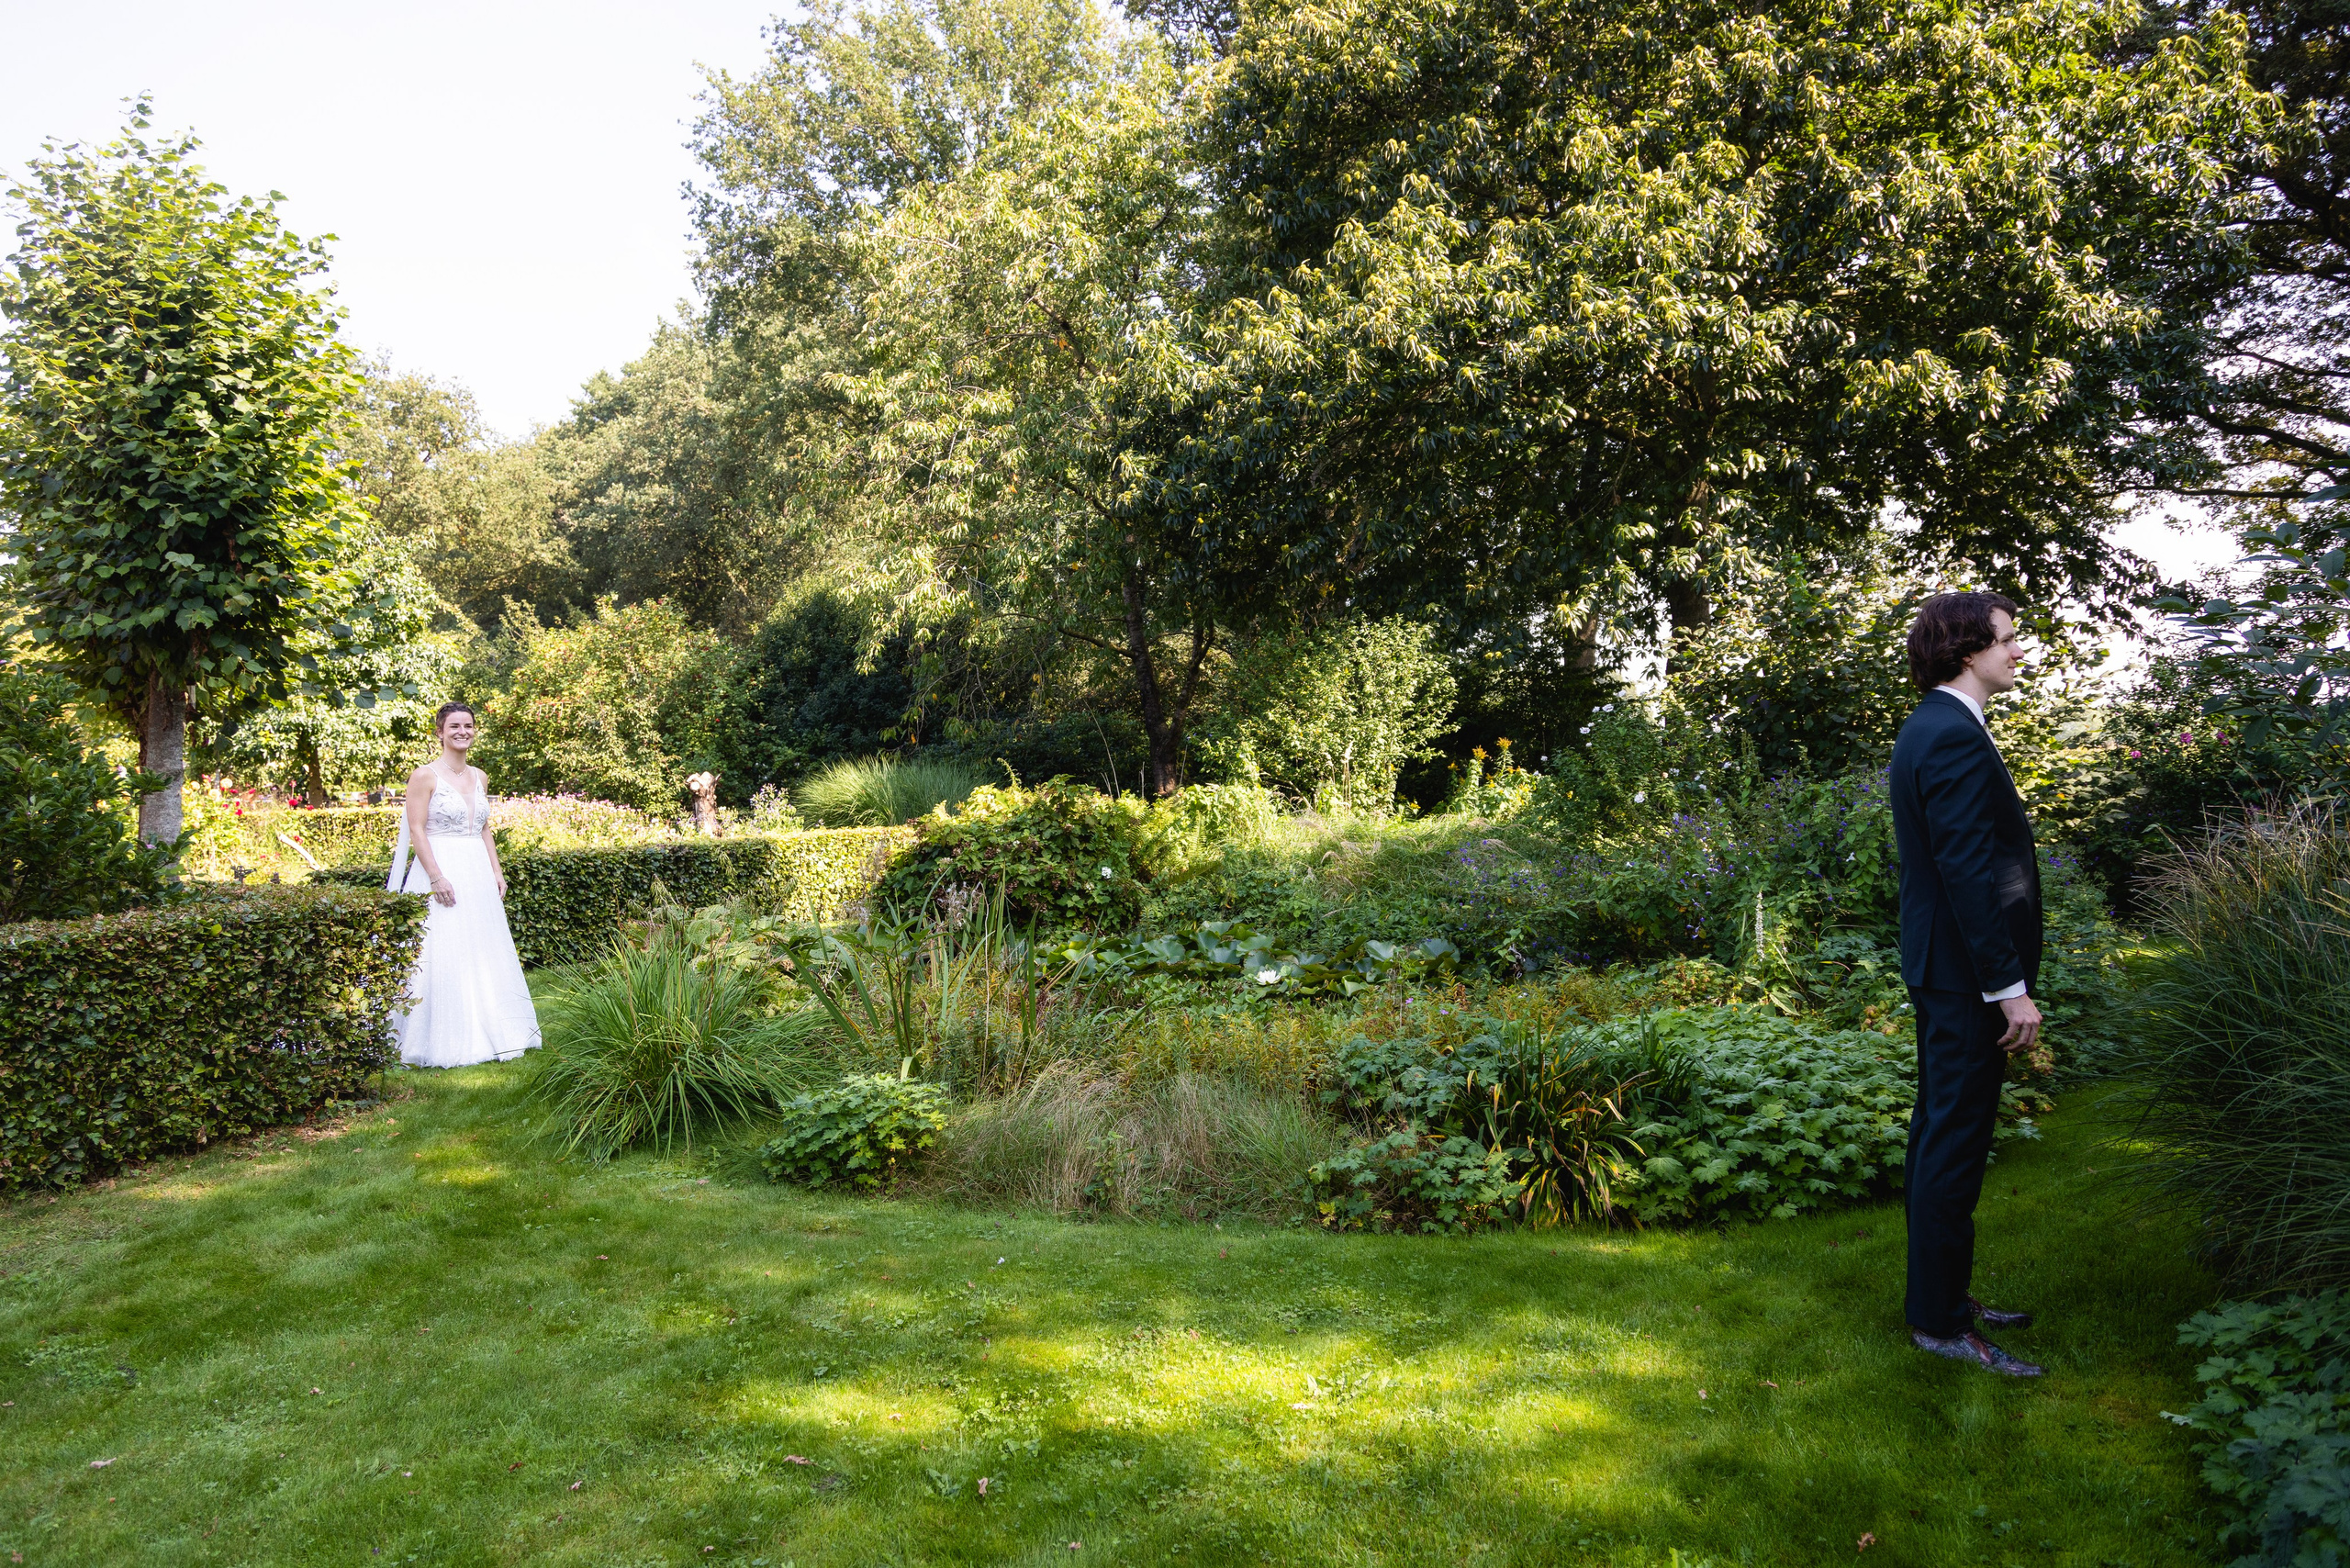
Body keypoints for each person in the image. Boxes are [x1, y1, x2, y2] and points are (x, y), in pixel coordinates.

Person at [1888, 591, 2045, 1377]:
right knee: (1953, 1143)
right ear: (1964, 651)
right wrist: (2006, 987)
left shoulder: (1943, 726)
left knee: (1937, 1136)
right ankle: (1941, 1323)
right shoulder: (1947, 733)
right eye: (2009, 640)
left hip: (1947, 974)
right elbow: (1966, 875)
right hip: (1963, 979)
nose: (2021, 651)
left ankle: (1940, 1295)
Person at [386, 702, 541, 1068]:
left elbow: (482, 827)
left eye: (468, 725)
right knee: (440, 949)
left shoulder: (480, 776)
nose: (462, 731)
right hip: (440, 867)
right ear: (439, 732)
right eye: (454, 725)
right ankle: (435, 1037)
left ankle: (495, 1028)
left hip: (476, 871)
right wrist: (436, 876)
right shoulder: (424, 776)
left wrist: (497, 871)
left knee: (482, 947)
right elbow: (417, 828)